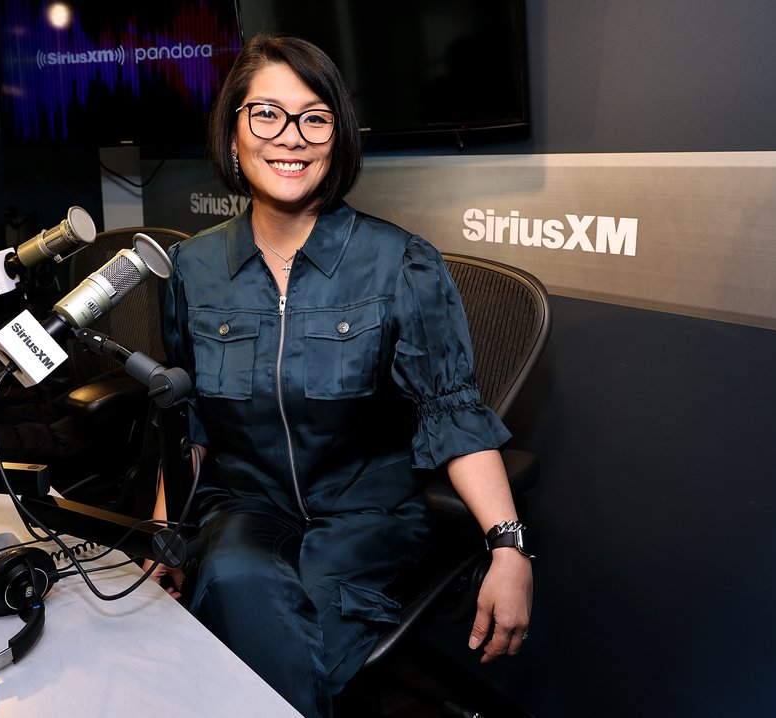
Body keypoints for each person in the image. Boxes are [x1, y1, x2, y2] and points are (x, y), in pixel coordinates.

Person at [144, 33, 533, 718]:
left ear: (338, 138)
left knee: (276, 633)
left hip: (366, 515)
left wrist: (509, 547)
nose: (290, 137)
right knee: (234, 579)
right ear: (233, 133)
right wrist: (163, 530)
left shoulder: (400, 262)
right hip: (245, 506)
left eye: (314, 117)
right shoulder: (193, 269)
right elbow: (190, 420)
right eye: (266, 113)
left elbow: (454, 414)